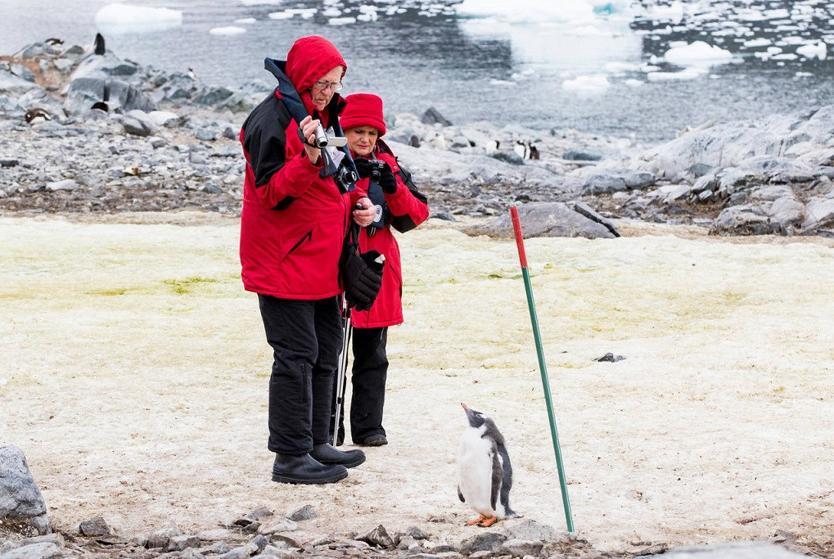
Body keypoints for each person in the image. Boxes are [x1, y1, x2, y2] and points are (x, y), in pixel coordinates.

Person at [239, 36, 377, 484]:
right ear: (304, 75)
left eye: (336, 82)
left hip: (321, 262)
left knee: (326, 352)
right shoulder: (269, 120)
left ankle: (317, 442)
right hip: (284, 261)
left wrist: (360, 204)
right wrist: (310, 158)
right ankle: (290, 457)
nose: (330, 90)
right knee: (296, 356)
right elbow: (272, 192)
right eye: (323, 81)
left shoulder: (321, 114)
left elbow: (340, 176)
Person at [333, 93, 429, 446]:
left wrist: (389, 194)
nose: (365, 139)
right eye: (357, 131)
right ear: (344, 130)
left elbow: (416, 215)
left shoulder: (388, 165)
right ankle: (329, 429)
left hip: (377, 269)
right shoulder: (331, 162)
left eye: (371, 133)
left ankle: (369, 427)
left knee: (372, 355)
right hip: (336, 268)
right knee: (331, 355)